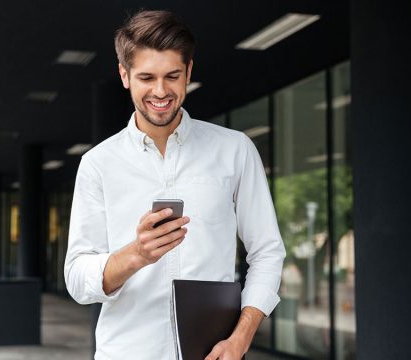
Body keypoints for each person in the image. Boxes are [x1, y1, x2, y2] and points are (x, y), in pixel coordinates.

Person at [64, 10, 285, 360]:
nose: (160, 91)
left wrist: (240, 339)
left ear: (189, 73)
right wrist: (135, 254)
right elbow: (77, 279)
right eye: (146, 77)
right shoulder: (98, 164)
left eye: (172, 76)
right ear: (125, 75)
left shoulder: (234, 149)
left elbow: (268, 252)